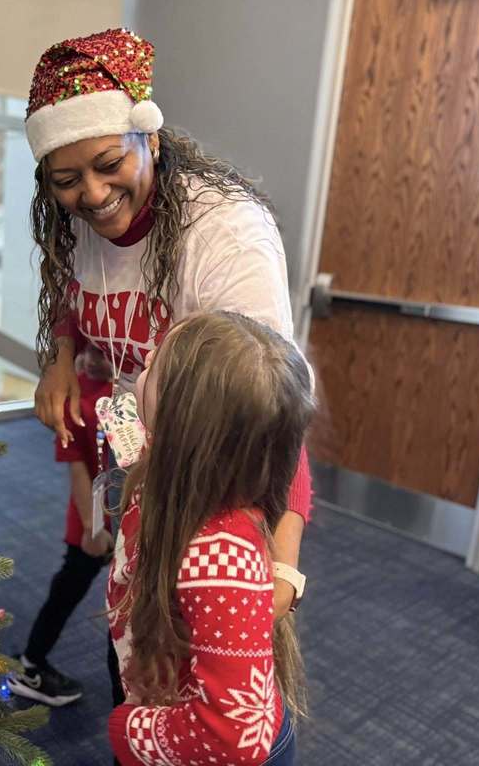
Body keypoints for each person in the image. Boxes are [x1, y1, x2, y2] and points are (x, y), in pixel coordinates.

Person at [23, 27, 312, 704]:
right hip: (140, 474)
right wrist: (62, 357)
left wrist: (286, 565)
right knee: (132, 664)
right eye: (67, 181)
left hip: (217, 491)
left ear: (149, 138)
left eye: (107, 165)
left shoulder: (226, 237)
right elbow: (75, 285)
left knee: (199, 697)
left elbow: (271, 412)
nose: (91, 196)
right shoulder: (74, 223)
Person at [107, 311, 312, 765]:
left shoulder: (220, 555)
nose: (148, 357)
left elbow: (233, 738)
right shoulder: (170, 465)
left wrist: (129, 729)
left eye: (157, 363)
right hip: (169, 700)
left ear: (186, 422)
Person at [9, 345, 114, 706]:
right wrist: (92, 527)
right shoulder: (75, 399)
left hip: (132, 514)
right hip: (93, 520)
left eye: (105, 351)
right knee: (69, 587)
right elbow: (79, 470)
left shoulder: (128, 392)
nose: (97, 359)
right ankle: (32, 665)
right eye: (91, 351)